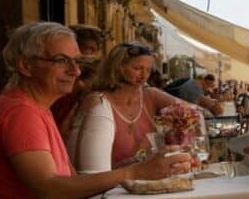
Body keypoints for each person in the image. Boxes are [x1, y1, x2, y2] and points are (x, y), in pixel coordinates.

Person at [0, 22, 185, 199]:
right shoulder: (21, 113)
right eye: (62, 60)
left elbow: (69, 179)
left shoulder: (34, 106)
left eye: (76, 61)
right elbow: (51, 191)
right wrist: (134, 172)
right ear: (25, 65)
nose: (75, 71)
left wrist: (132, 170)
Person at [66, 42, 201, 172]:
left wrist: (181, 128)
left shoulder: (150, 95)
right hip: (109, 189)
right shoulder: (97, 101)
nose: (144, 76)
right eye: (137, 68)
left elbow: (195, 113)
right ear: (118, 67)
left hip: (147, 184)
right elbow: (87, 169)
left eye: (148, 70)